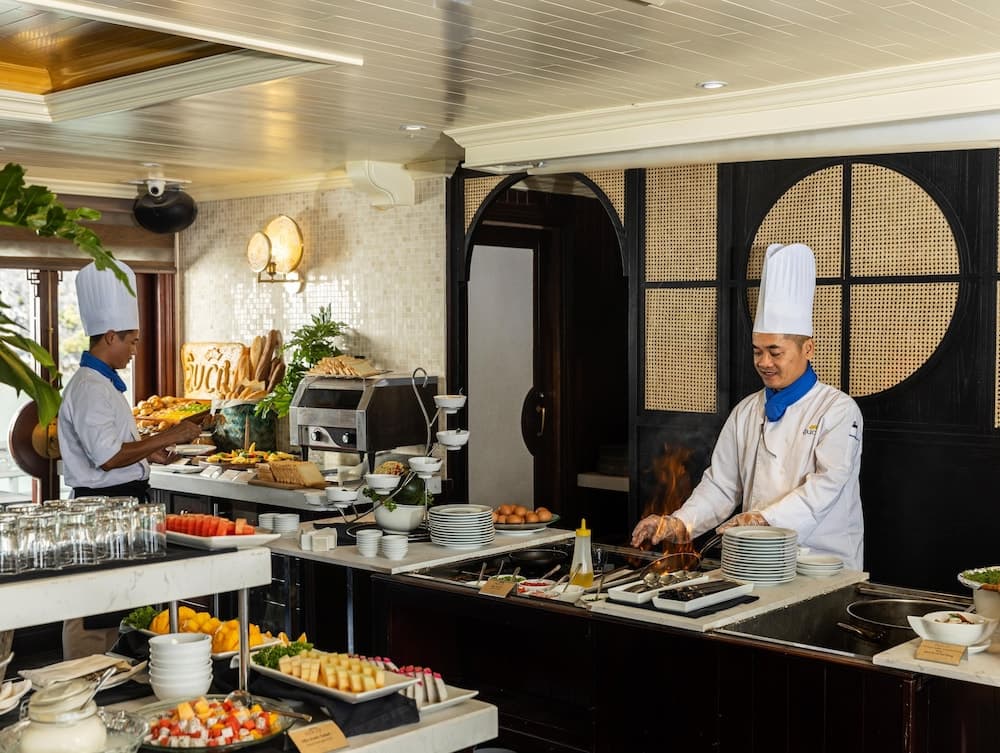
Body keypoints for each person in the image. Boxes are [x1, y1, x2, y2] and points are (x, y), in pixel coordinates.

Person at [631, 243, 864, 570]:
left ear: (808, 349)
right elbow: (722, 485)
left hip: (823, 564)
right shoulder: (746, 411)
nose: (764, 362)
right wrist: (679, 523)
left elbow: (826, 487)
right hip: (758, 560)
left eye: (775, 352)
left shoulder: (838, 410)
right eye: (757, 351)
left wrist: (762, 518)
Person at [58, 259, 201, 657]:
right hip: (100, 511)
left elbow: (116, 447)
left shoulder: (104, 384)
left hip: (121, 508)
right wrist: (171, 433)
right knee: (93, 610)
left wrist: (152, 451)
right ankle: (82, 680)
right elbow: (106, 458)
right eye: (132, 341)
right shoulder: (89, 387)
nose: (136, 350)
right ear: (110, 337)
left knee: (118, 607)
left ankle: (113, 678)